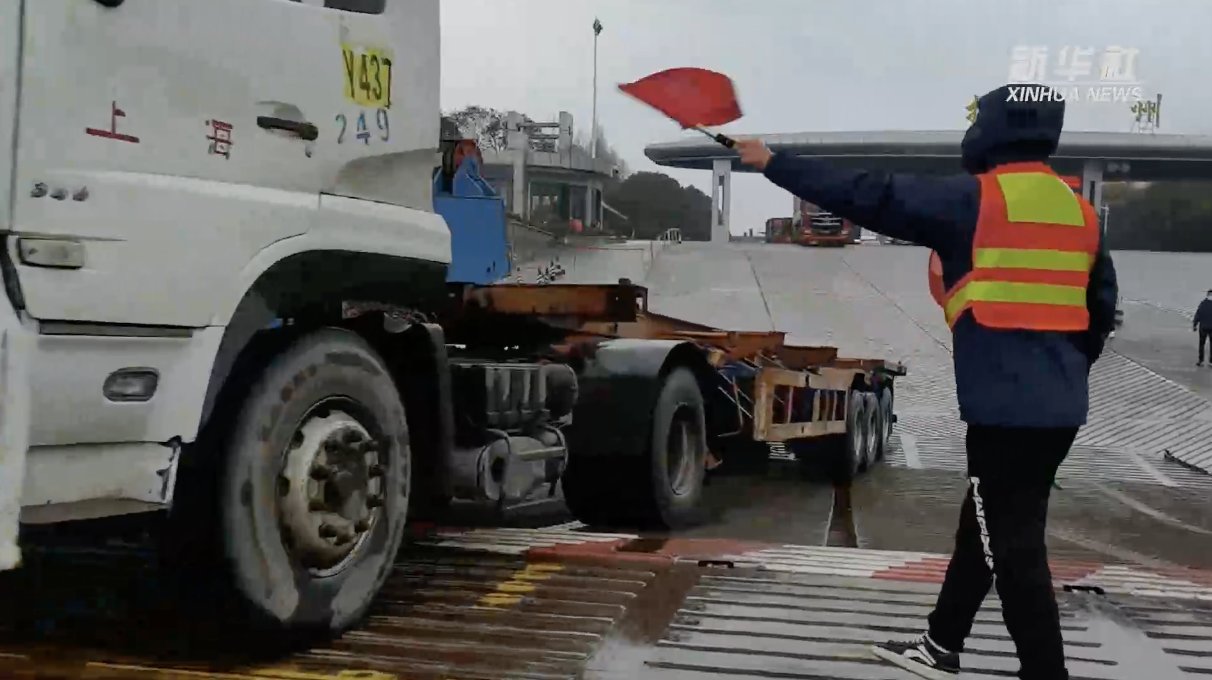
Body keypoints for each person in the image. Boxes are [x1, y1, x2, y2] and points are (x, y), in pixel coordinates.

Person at [735, 83, 1118, 680]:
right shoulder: (1081, 213)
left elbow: (871, 195)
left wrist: (773, 163)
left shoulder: (977, 200)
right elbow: (1101, 312)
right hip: (1059, 406)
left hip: (1004, 410)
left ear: (992, 130)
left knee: (1014, 549)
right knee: (986, 523)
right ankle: (941, 644)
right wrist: (1060, 371)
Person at [1195, 290, 1212, 366]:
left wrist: (1195, 325)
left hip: (1203, 327)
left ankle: (1200, 360)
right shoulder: (1203, 304)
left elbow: (1198, 314)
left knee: (1201, 344)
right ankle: (1211, 361)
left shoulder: (1203, 304)